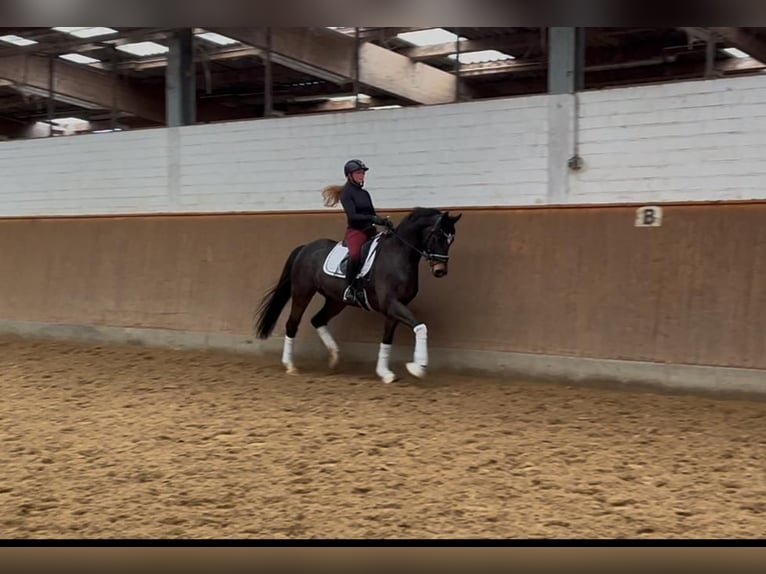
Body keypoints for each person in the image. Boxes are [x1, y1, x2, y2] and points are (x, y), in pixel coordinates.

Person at [338, 159, 393, 304]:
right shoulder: (346, 194)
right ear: (349, 175)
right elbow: (353, 216)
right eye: (358, 173)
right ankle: (349, 288)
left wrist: (383, 222)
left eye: (362, 173)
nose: (362, 175)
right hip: (356, 231)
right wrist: (372, 218)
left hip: (371, 230)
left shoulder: (365, 194)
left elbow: (372, 213)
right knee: (355, 255)